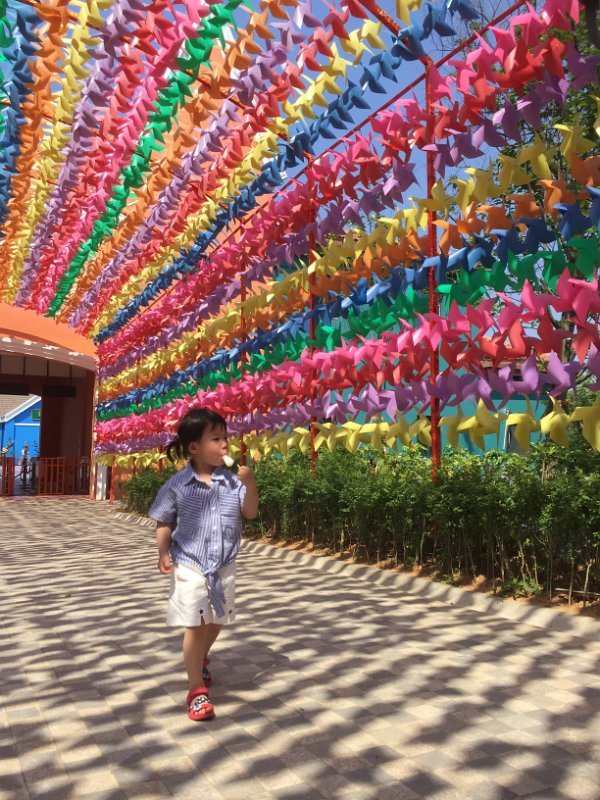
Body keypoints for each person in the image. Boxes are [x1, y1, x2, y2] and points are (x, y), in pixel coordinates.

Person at [149, 408, 259, 721]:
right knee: (196, 624)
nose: (224, 444)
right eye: (216, 439)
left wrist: (250, 483)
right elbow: (163, 521)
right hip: (190, 565)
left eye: (225, 438)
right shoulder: (178, 485)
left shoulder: (233, 482)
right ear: (194, 447)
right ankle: (196, 690)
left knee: (217, 619)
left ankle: (200, 658)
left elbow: (250, 512)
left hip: (223, 566)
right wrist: (163, 551)